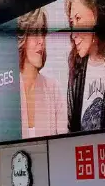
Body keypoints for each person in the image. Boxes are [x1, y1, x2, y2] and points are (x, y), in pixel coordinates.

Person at [65, 0, 105, 131]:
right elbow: (72, 128)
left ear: (96, 15)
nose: (73, 34)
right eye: (72, 23)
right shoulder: (76, 66)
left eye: (78, 18)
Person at [17, 8, 67, 138]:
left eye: (43, 34)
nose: (41, 41)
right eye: (35, 33)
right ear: (22, 39)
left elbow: (64, 141)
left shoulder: (53, 89)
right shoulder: (8, 90)